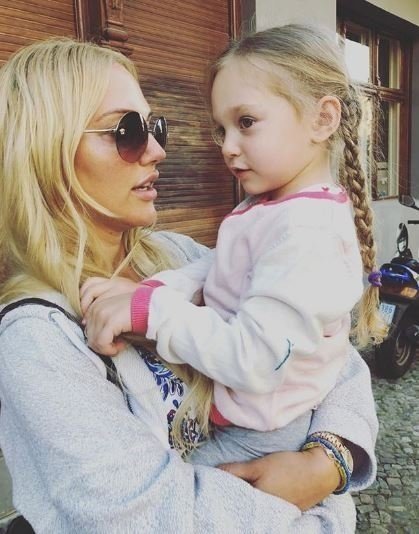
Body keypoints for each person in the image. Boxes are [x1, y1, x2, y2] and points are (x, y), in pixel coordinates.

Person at [0, 36, 378, 534]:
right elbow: (148, 516)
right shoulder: (38, 337)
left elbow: (335, 361)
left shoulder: (178, 253)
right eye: (127, 131)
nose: (158, 150)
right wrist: (323, 509)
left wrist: (327, 463)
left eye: (154, 126)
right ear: (46, 150)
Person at [81, 24, 385, 470]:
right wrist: (155, 291)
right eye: (221, 129)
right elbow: (221, 268)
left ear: (323, 119)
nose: (227, 146)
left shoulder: (306, 233)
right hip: (246, 416)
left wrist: (151, 311)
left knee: (182, 491)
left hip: (259, 434)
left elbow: (255, 359)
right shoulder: (276, 208)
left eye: (246, 123)